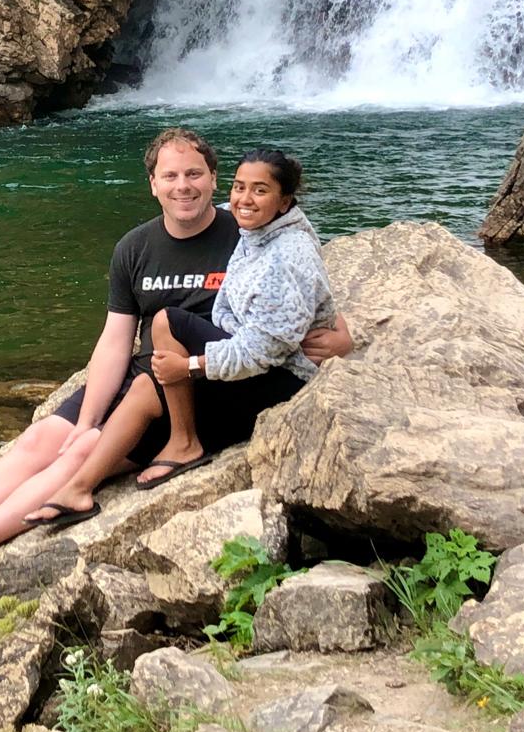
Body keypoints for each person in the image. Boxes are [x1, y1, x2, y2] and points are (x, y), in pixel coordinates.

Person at [0, 130, 351, 578]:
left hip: (192, 385)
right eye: (171, 176)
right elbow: (116, 338)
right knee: (43, 439)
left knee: (76, 457)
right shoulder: (135, 247)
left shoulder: (243, 232)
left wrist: (340, 339)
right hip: (145, 372)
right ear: (153, 185)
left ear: (213, 180)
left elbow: (310, 294)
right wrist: (88, 416)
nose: (184, 186)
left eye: (194, 174)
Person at [20, 147, 334, 530]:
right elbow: (196, 204)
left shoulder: (288, 252)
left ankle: (88, 484)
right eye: (239, 188)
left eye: (260, 191)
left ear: (284, 201)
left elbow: (265, 348)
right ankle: (167, 449)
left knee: (157, 359)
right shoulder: (255, 227)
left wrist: (189, 365)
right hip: (246, 357)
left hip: (278, 379)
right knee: (162, 339)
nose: (245, 199)